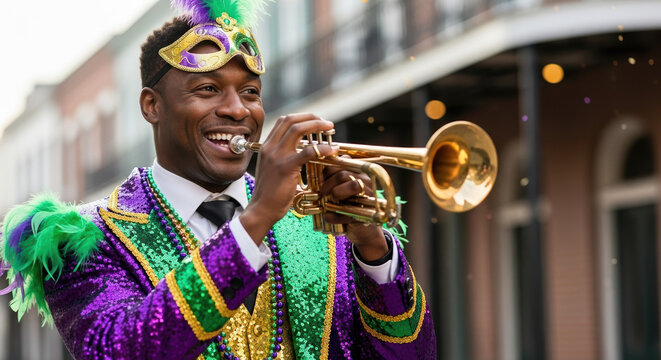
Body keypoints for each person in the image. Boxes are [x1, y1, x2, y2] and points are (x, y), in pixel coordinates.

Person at [1, 1, 436, 359]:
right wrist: (256, 219)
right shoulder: (83, 238)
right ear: (152, 106)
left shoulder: (319, 222)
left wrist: (375, 252)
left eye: (250, 92)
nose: (237, 110)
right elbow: (121, 350)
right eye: (207, 89)